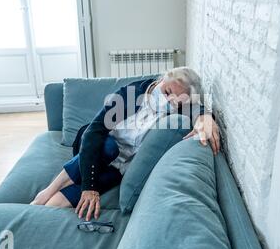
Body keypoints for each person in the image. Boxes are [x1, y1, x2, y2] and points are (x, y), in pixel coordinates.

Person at [30, 67, 220, 221]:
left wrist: (206, 117)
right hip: (96, 147)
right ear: (161, 79)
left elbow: (197, 109)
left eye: (174, 102)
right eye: (167, 91)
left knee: (61, 203)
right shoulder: (131, 93)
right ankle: (47, 191)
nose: (167, 101)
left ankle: (38, 215)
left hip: (119, 166)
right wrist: (89, 187)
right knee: (110, 148)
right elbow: (93, 133)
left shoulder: (176, 111)